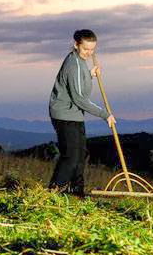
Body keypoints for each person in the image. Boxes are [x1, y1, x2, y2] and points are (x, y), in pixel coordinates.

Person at [47, 29, 116, 196]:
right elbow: (79, 99)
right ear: (76, 45)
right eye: (85, 49)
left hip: (74, 114)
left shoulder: (79, 61)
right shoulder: (74, 64)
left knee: (80, 155)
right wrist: (104, 114)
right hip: (64, 114)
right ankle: (53, 192)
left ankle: (76, 192)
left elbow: (78, 80)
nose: (89, 53)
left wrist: (89, 74)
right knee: (71, 156)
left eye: (92, 49)